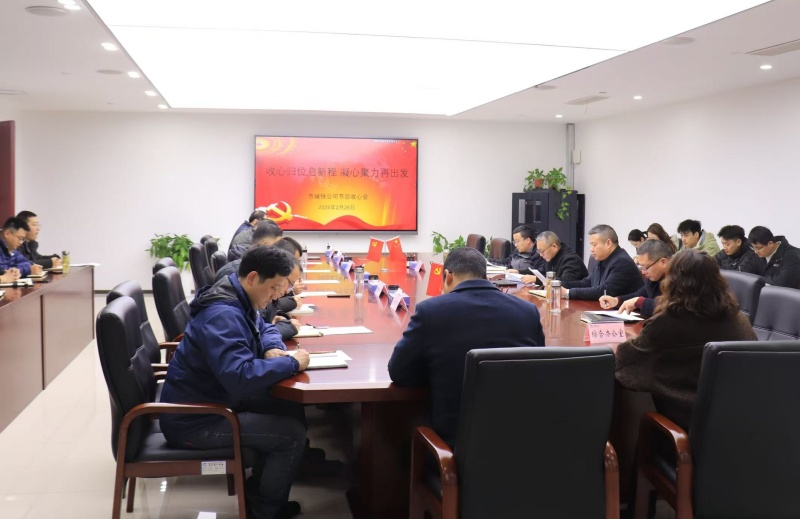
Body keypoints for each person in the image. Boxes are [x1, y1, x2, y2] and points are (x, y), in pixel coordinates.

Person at [159, 246, 309, 519]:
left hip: (215, 398)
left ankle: (257, 492)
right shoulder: (223, 315)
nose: (278, 295)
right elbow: (240, 377)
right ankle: (265, 512)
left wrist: (271, 347)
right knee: (291, 434)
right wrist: (291, 363)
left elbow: (264, 326)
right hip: (196, 420)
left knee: (289, 406)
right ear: (252, 278)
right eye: (275, 287)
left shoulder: (237, 295)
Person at [388, 247, 545, 448]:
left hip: (454, 449)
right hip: (522, 444)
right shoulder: (528, 311)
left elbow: (399, 373)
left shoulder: (431, 312)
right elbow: (539, 371)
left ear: (448, 276)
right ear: (485, 275)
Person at [615, 250, 757, 430]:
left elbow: (625, 364)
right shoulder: (739, 319)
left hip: (685, 424)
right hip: (740, 421)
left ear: (673, 282)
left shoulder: (667, 323)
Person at [560, 224, 643, 300]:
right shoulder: (603, 258)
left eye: (594, 245)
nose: (591, 249)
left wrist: (568, 293)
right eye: (591, 245)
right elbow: (587, 283)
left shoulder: (622, 262)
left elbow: (604, 292)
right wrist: (559, 285)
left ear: (608, 243)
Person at [599, 239, 673, 318]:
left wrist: (640, 302)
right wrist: (617, 301)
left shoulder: (679, 278)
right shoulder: (653, 278)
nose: (643, 272)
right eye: (641, 267)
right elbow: (640, 295)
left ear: (663, 262)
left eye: (646, 267)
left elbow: (671, 306)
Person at [520, 230, 587, 284]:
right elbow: (541, 272)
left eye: (542, 251)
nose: (540, 255)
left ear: (554, 247)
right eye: (538, 251)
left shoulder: (571, 259)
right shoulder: (551, 256)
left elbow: (565, 282)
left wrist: (536, 279)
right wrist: (519, 272)